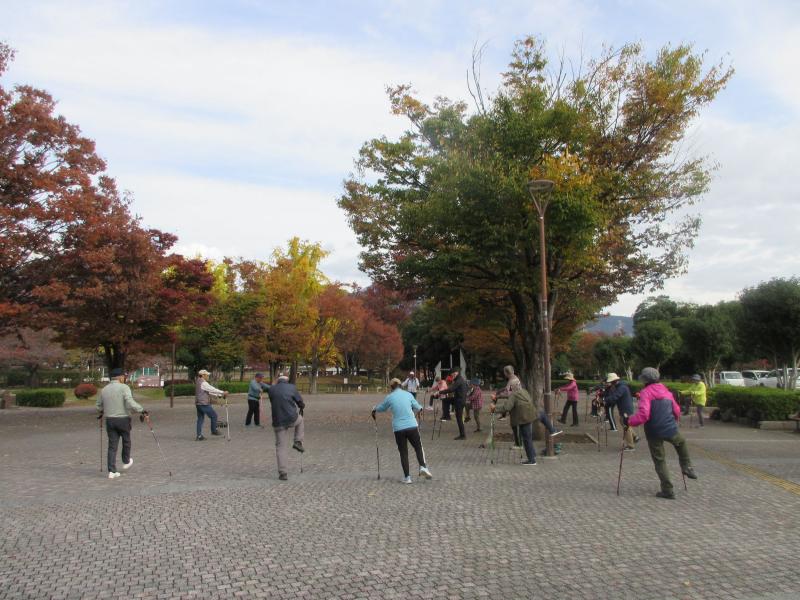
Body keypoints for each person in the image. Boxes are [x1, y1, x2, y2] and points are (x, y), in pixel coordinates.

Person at [628, 367, 697, 499]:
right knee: (681, 442)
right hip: (670, 427)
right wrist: (674, 421)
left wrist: (629, 421)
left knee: (660, 460)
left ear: (645, 380)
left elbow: (643, 415)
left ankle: (668, 490)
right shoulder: (666, 391)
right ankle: (687, 466)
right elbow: (676, 410)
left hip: (653, 430)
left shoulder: (645, 392)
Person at [372, 378, 433, 484]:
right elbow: (418, 407)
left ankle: (407, 477)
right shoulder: (408, 395)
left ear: (391, 387)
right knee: (418, 447)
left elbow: (382, 408)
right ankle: (423, 467)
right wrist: (420, 410)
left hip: (398, 428)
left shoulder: (390, 397)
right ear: (401, 385)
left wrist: (374, 408)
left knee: (403, 452)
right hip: (412, 426)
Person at [96, 368, 146, 479]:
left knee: (112, 446)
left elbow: (98, 405)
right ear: (119, 377)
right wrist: (141, 409)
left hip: (110, 420)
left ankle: (111, 471)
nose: (124, 378)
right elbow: (129, 400)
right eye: (123, 376)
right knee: (126, 440)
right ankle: (126, 460)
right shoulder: (124, 387)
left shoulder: (104, 389)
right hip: (123, 419)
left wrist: (101, 412)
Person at [266, 374, 305, 481]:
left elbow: (273, 400)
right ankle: (298, 441)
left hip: (278, 421)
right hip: (291, 418)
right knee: (300, 420)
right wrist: (301, 406)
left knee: (280, 447)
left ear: (278, 381)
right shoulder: (292, 387)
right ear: (287, 380)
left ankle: (283, 473)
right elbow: (300, 403)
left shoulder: (271, 389)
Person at [490, 385, 537, 465]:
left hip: (523, 418)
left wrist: (494, 408)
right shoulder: (524, 391)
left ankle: (532, 460)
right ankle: (532, 455)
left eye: (510, 390)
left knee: (526, 439)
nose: (509, 392)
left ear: (513, 390)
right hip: (529, 415)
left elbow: (507, 407)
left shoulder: (514, 395)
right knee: (528, 437)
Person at [603, 374, 636, 450]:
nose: (610, 383)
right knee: (622, 421)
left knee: (625, 425)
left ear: (614, 381)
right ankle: (634, 436)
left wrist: (605, 400)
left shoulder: (621, 387)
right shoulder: (620, 386)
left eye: (611, 382)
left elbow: (615, 396)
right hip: (625, 408)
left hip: (626, 408)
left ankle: (631, 445)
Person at [195, 369, 227, 441]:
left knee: (200, 419)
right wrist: (222, 392)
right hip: (204, 404)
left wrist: (219, 395)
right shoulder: (203, 383)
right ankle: (214, 431)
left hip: (198, 404)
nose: (208, 376)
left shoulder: (198, 381)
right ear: (203, 375)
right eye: (207, 375)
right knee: (214, 416)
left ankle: (199, 436)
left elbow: (208, 392)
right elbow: (212, 389)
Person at [440, 368, 468, 439]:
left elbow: (451, 389)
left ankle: (463, 435)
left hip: (459, 401)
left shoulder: (459, 380)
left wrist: (440, 392)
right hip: (458, 399)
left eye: (452, 375)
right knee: (445, 400)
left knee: (459, 419)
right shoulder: (460, 379)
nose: (452, 377)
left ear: (456, 373)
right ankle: (446, 415)